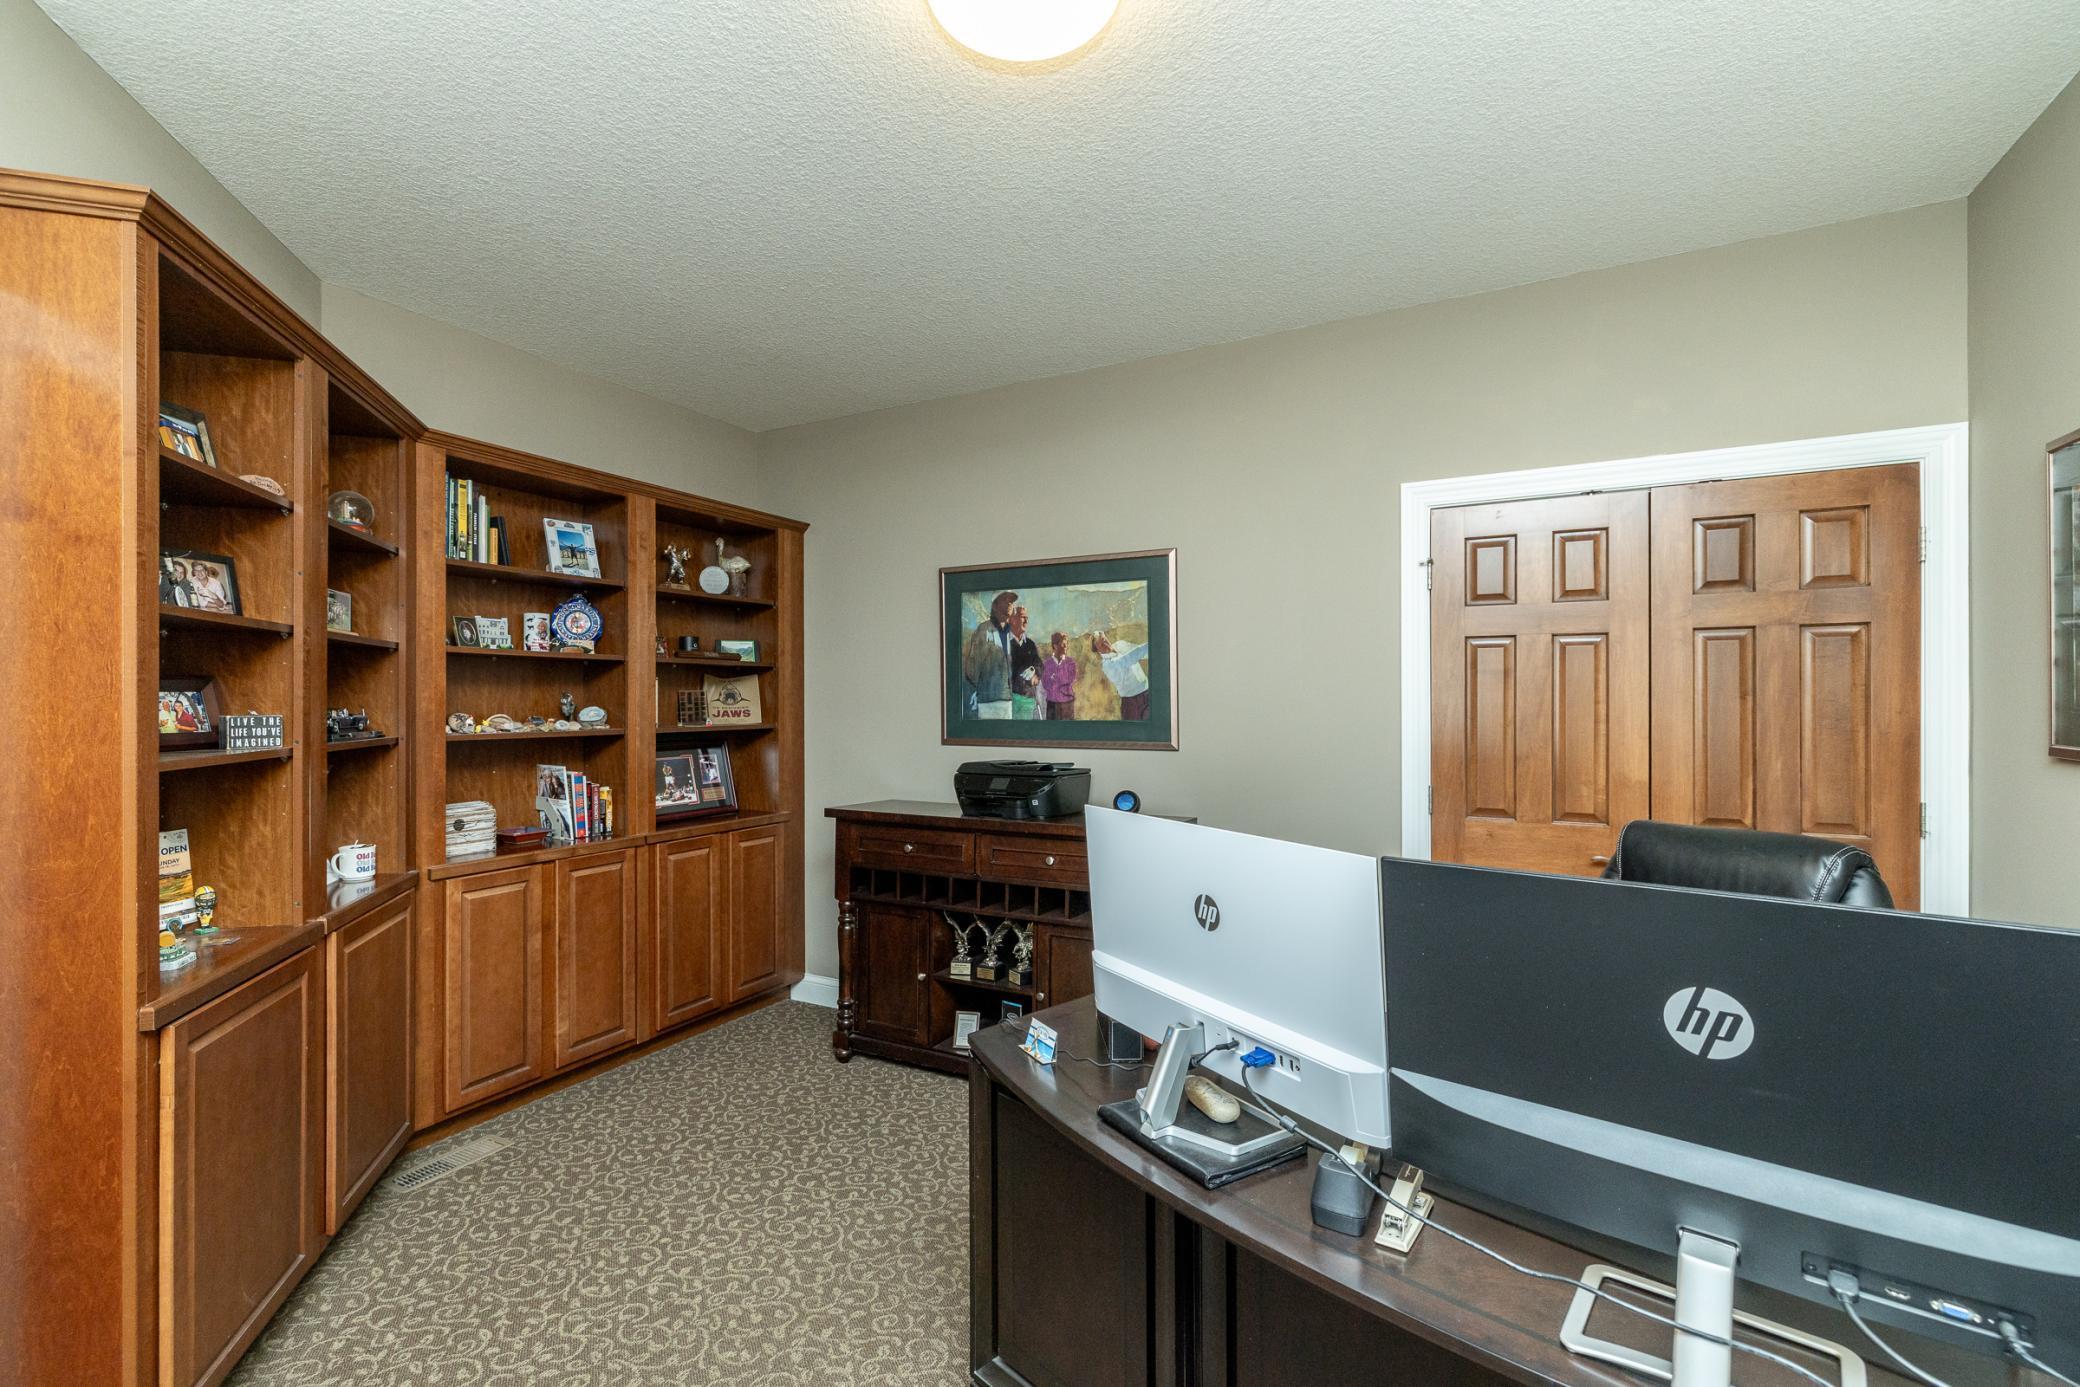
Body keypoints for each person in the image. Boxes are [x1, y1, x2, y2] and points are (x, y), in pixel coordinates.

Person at [960, 590, 1018, 719]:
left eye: (1011, 601)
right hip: (988, 701)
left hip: (1009, 700)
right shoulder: (983, 630)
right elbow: (971, 669)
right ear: (995, 605)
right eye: (1005, 600)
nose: (1010, 604)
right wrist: (985, 686)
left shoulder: (1013, 632)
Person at [1090, 630, 1152, 721]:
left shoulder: (1120, 645)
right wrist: (1154, 645)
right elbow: (1131, 658)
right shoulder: (1107, 665)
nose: (1105, 644)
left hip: (1148, 694)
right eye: (1101, 645)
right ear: (1098, 651)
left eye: (1104, 640)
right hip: (1131, 704)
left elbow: (1143, 651)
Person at [1007, 604, 1043, 719]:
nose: (1026, 621)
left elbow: (1039, 664)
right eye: (1023, 617)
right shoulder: (1004, 642)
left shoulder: (1030, 644)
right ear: (1012, 619)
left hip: (1028, 699)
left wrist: (1035, 671)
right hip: (1009, 699)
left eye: (1027, 618)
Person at [1041, 631, 1077, 719]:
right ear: (1055, 646)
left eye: (1066, 644)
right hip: (1052, 704)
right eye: (1063, 644)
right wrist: (1061, 680)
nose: (1066, 647)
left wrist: (1054, 678)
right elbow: (1046, 684)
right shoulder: (1046, 664)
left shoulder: (1071, 662)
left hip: (1067, 704)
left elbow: (1070, 679)